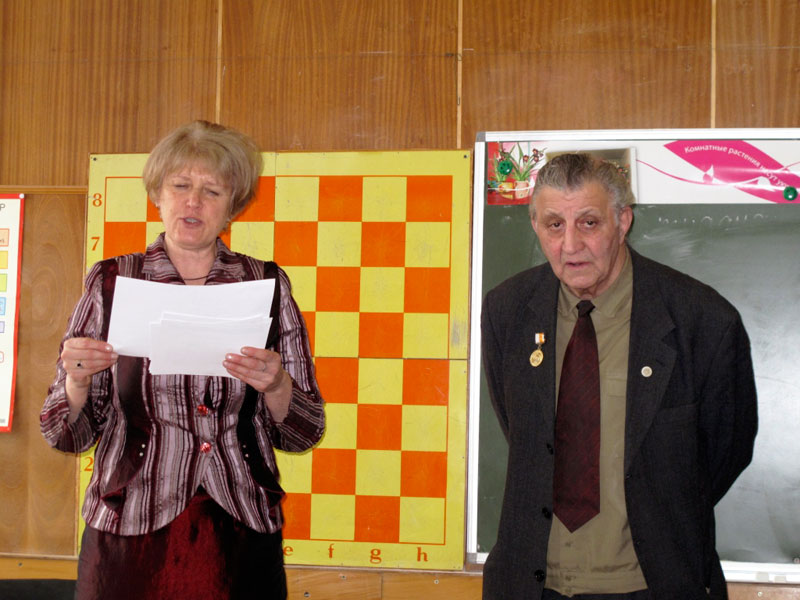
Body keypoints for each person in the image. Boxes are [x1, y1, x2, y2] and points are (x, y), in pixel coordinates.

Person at [40, 120, 325, 600]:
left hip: (240, 527)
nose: (193, 201)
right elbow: (67, 435)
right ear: (158, 194)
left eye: (212, 191)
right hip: (128, 526)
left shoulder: (266, 285)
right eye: (180, 186)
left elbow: (304, 432)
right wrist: (77, 382)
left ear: (232, 207)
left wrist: (277, 386)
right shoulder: (112, 282)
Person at [480, 153, 757, 600]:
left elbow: (727, 451)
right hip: (532, 586)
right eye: (554, 225)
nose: (570, 245)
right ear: (535, 226)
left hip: (653, 585)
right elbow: (521, 432)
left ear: (623, 220)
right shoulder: (507, 311)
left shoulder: (701, 320)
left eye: (588, 223)